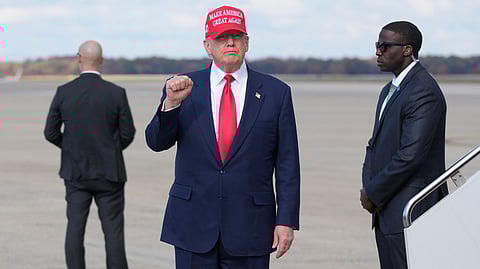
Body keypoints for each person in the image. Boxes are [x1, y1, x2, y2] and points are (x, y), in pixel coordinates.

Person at [145, 5, 300, 269]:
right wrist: (170, 104)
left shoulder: (276, 92)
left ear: (247, 43)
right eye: (221, 37)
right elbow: (157, 142)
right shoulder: (184, 87)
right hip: (192, 223)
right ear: (208, 46)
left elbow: (287, 163)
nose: (230, 42)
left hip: (251, 225)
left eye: (237, 36)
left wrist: (285, 220)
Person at [360, 21, 448, 269]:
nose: (378, 52)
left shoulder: (423, 91)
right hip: (386, 210)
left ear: (408, 49)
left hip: (410, 211)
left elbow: (410, 155)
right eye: (377, 46)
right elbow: (374, 145)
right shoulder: (390, 89)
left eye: (384, 46)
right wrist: (369, 188)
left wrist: (373, 192)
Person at [44, 40, 135, 269]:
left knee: (75, 230)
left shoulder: (64, 92)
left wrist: (72, 148)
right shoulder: (116, 93)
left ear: (79, 58)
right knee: (113, 233)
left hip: (76, 172)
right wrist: (110, 150)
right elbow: (128, 133)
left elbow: (50, 132)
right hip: (110, 173)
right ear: (102, 60)